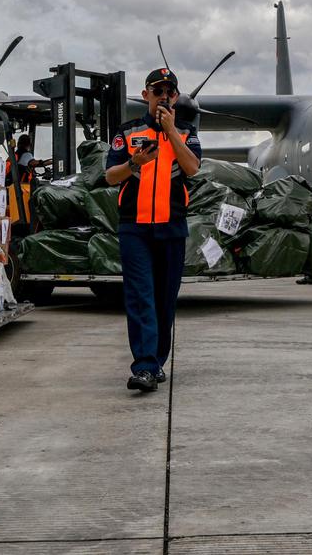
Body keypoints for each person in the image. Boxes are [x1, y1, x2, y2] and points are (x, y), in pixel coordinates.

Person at [105, 67, 201, 392]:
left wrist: (171, 131)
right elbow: (110, 176)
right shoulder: (128, 132)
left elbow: (192, 167)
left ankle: (157, 361)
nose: (163, 97)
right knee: (140, 296)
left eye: (169, 92)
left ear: (176, 97)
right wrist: (134, 163)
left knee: (164, 300)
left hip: (172, 228)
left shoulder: (186, 132)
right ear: (145, 95)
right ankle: (144, 366)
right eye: (157, 91)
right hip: (135, 228)